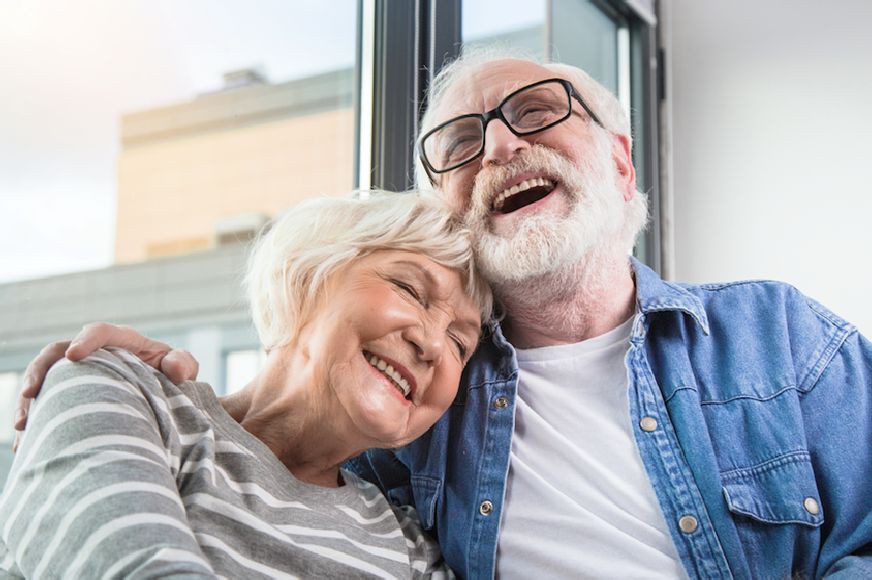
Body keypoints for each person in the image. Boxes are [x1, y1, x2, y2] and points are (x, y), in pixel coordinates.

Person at [14, 50, 872, 579]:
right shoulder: (410, 442)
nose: (500, 146)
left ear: (619, 160)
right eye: (462, 143)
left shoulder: (782, 340)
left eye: (537, 113)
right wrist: (126, 379)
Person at [1, 190, 492, 578]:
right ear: (308, 278)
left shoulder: (411, 554)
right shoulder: (117, 388)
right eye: (409, 289)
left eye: (459, 343)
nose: (431, 344)